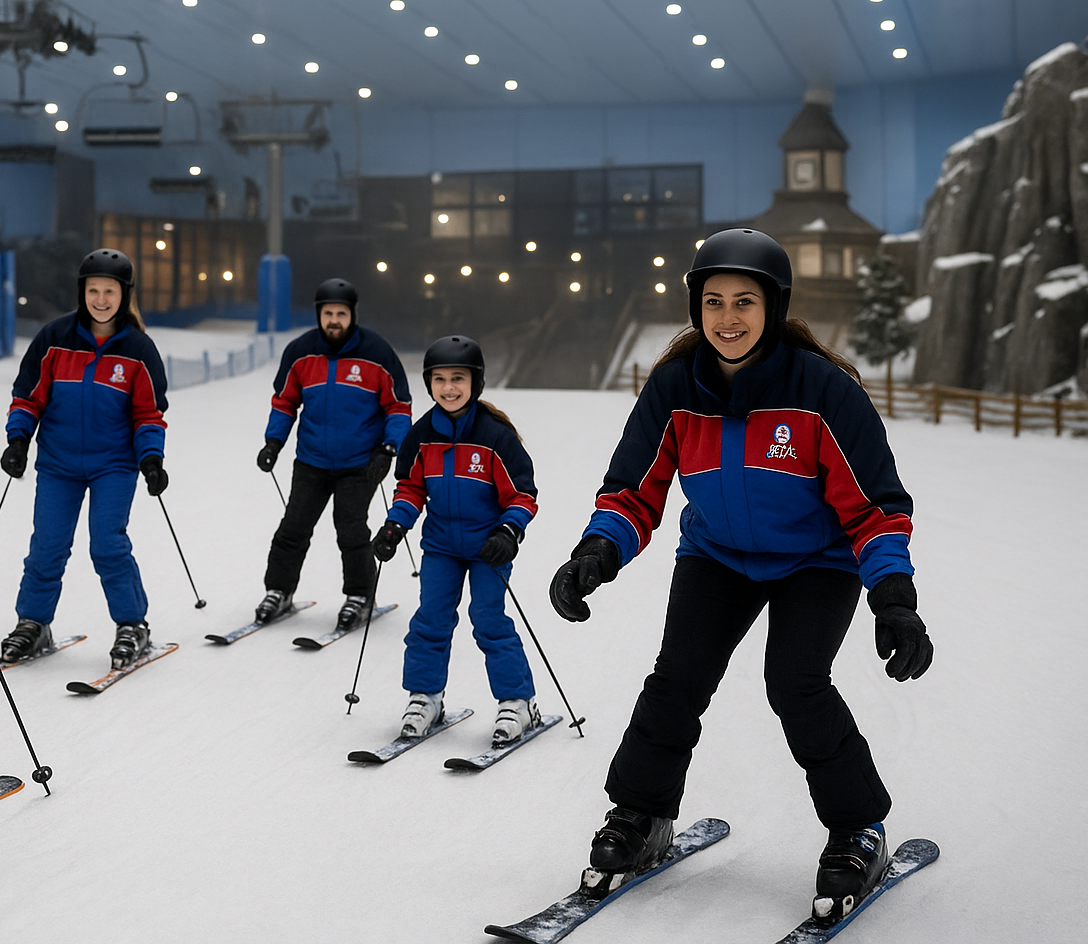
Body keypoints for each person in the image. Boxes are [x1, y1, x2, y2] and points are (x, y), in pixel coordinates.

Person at [548, 228, 934, 919]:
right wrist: (596, 553)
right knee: (677, 679)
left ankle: (858, 829)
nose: (727, 318)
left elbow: (875, 508)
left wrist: (894, 597)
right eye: (714, 302)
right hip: (717, 554)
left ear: (773, 308)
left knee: (796, 683)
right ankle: (641, 816)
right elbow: (634, 488)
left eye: (745, 302)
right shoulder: (676, 387)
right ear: (696, 307)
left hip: (816, 560)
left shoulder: (822, 391)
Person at [0, 249, 169, 671]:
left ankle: (132, 624)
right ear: (82, 292)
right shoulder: (54, 339)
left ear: (124, 294)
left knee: (108, 545)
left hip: (114, 464)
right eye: (93, 291)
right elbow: (28, 397)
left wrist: (151, 459)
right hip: (59, 464)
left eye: (110, 291)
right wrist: (18, 439)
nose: (101, 300)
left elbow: (148, 414)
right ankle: (33, 622)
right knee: (47, 545)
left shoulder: (138, 350)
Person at [372, 336, 541, 745]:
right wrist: (395, 526)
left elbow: (522, 495)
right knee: (431, 619)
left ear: (475, 382)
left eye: (458, 379)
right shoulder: (420, 436)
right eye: (440, 379)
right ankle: (425, 696)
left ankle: (518, 702)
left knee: (488, 620)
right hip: (441, 547)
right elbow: (410, 489)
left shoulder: (495, 437)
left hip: (489, 548)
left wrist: (508, 531)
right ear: (429, 383)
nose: (449, 388)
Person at [255, 278, 412, 630]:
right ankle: (279, 590)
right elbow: (285, 402)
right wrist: (273, 442)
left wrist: (389, 449)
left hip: (360, 462)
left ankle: (360, 596)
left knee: (351, 529)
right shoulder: (301, 352)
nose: (334, 321)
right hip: (311, 459)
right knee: (293, 527)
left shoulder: (377, 353)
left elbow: (399, 406)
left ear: (352, 314)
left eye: (341, 314)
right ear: (319, 315)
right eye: (328, 314)